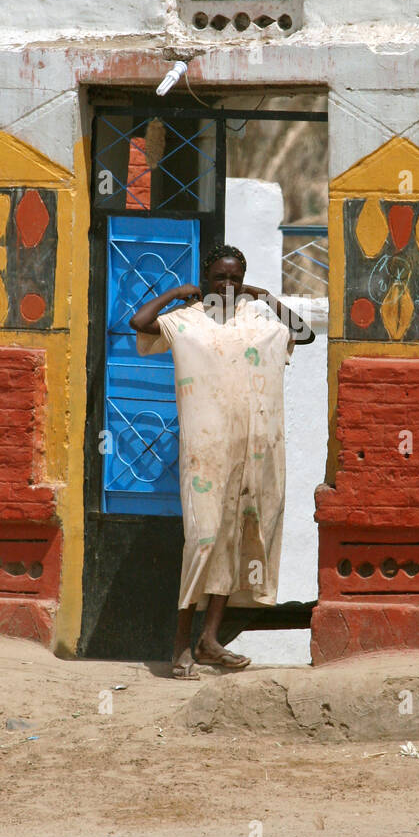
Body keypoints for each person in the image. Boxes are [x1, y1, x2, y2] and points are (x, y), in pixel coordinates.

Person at [130, 243, 314, 678]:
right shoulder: (186, 322)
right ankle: (180, 646)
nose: (227, 286)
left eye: (234, 278)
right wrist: (178, 293)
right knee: (205, 540)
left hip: (252, 454)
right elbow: (138, 322)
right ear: (206, 278)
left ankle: (208, 642)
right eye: (219, 278)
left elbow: (303, 333)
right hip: (206, 456)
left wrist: (263, 294)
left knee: (234, 543)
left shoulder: (259, 321)